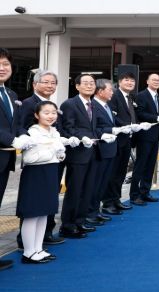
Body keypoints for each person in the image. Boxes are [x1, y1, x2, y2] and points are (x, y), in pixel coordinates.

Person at [16, 70, 67, 247]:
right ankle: (26, 242)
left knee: (47, 201)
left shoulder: (50, 104)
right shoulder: (28, 103)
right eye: (46, 82)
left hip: (52, 160)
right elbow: (22, 127)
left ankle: (43, 235)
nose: (50, 85)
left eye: (53, 83)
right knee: (33, 204)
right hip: (37, 160)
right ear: (35, 84)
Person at [59, 74, 101, 239]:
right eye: (86, 83)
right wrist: (82, 137)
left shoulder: (93, 104)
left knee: (87, 189)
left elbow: (93, 128)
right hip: (77, 154)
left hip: (92, 153)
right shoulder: (70, 104)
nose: (90, 85)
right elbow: (67, 127)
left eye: (92, 83)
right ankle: (67, 226)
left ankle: (80, 221)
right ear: (77, 86)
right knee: (75, 190)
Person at [131, 73, 159, 205]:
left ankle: (145, 192)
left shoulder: (157, 96)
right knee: (140, 165)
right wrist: (156, 118)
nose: (156, 82)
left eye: (158, 80)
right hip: (144, 136)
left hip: (155, 136)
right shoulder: (141, 95)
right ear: (147, 81)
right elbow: (140, 113)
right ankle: (134, 195)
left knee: (150, 166)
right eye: (153, 80)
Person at [102, 72, 140, 213]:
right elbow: (112, 117)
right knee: (112, 173)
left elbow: (132, 116)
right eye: (126, 80)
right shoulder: (114, 95)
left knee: (121, 172)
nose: (130, 83)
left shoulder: (130, 97)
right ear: (119, 82)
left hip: (127, 139)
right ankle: (107, 203)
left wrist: (137, 125)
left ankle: (116, 199)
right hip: (116, 139)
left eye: (132, 81)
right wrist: (127, 126)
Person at [0, 48, 23, 270]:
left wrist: (25, 136)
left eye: (5, 63)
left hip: (4, 160)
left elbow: (15, 125)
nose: (2, 68)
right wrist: (12, 140)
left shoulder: (11, 94)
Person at [87, 79, 120, 225]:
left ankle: (96, 210)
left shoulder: (106, 106)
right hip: (99, 150)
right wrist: (110, 130)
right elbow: (94, 128)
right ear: (100, 91)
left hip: (110, 149)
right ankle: (90, 212)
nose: (112, 92)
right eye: (110, 90)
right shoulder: (93, 106)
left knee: (102, 183)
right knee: (95, 183)